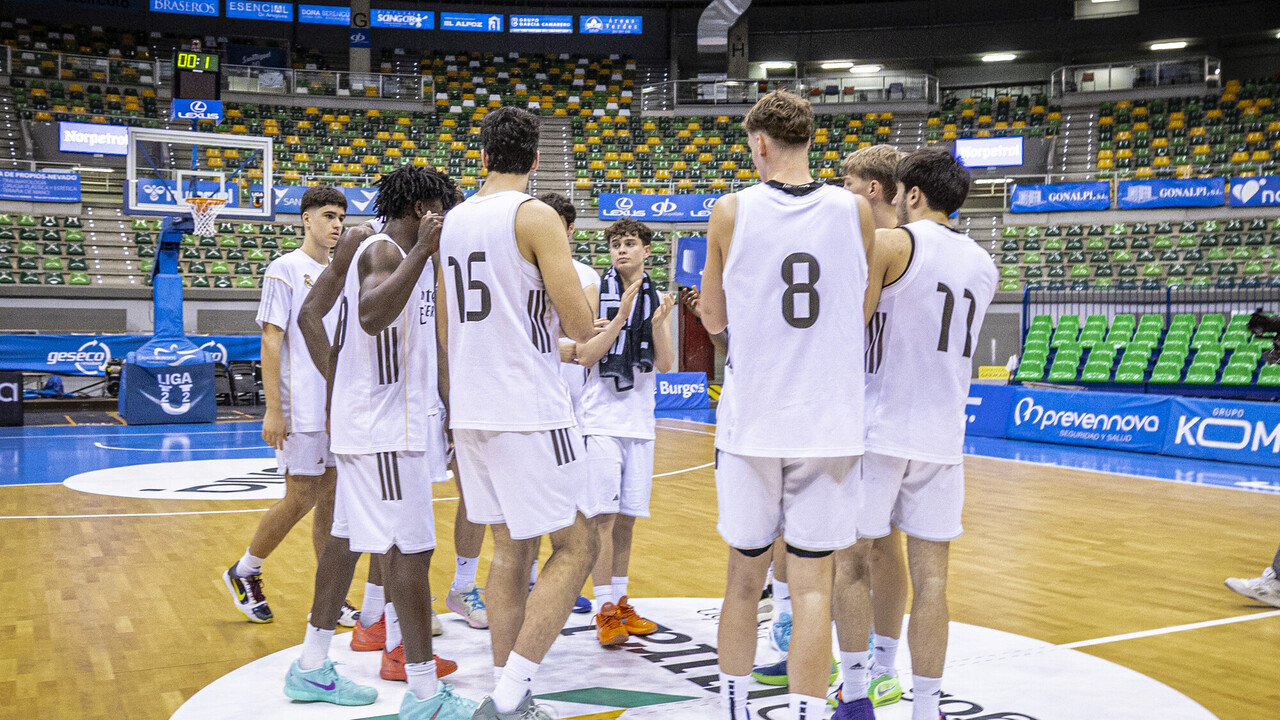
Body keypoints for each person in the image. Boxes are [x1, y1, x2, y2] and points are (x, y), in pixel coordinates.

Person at [699, 90, 875, 720]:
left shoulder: (731, 210)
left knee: (743, 583)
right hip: (830, 422)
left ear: (760, 144)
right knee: (812, 591)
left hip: (754, 421)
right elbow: (859, 306)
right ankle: (805, 713)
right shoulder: (855, 210)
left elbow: (711, 316)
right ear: (809, 140)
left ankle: (734, 710)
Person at [286, 166, 477, 720]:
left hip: (374, 425)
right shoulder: (386, 252)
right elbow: (370, 316)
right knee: (410, 552)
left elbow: (312, 316)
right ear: (422, 209)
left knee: (345, 543)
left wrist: (341, 390)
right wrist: (422, 254)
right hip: (385, 432)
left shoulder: (371, 248)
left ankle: (311, 665)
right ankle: (424, 694)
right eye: (443, 209)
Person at [438, 106, 599, 720]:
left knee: (510, 550)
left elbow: (447, 328)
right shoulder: (534, 215)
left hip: (472, 406)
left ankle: (513, 696)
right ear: (535, 160)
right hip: (528, 407)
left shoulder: (454, 219)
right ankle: (509, 696)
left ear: (482, 156)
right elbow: (579, 326)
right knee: (578, 545)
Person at [829, 147, 996, 720]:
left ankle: (855, 696)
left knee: (851, 564)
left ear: (913, 195)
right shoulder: (985, 264)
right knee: (933, 583)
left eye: (900, 192)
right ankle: (926, 708)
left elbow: (850, 329)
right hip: (943, 438)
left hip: (879, 428)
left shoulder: (891, 244)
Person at [221, 185, 357, 627]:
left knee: (332, 502)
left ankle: (331, 596)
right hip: (301, 405)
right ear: (306, 218)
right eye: (329, 216)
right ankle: (245, 569)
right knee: (300, 497)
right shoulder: (285, 269)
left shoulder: (342, 272)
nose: (336, 225)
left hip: (335, 406)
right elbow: (271, 339)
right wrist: (273, 409)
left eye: (341, 218)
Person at [830, 144, 911, 709]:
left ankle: (858, 680)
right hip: (909, 420)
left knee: (851, 554)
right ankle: (885, 668)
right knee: (889, 547)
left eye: (849, 183)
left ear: (873, 189)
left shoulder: (877, 249)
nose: (843, 192)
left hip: (866, 415)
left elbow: (846, 330)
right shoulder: (922, 246)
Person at [569, 218, 674, 646]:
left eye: (629, 243)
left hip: (639, 422)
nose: (621, 250)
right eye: (615, 244)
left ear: (646, 250)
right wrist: (620, 319)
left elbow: (664, 364)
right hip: (600, 420)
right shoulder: (596, 292)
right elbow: (584, 355)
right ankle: (604, 609)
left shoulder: (658, 298)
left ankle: (622, 602)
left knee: (627, 519)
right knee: (603, 519)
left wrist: (659, 323)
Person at [535, 190, 601, 616]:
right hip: (535, 392)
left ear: (571, 229)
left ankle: (557, 579)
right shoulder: (523, 265)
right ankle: (531, 579)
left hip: (572, 397)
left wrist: (547, 341)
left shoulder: (584, 273)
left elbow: (583, 334)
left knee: (568, 500)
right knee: (533, 496)